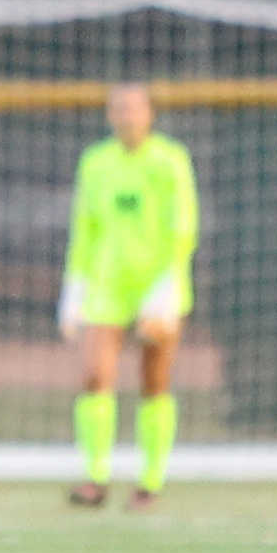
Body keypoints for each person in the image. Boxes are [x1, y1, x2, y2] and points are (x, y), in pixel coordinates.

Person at [57, 84, 199, 510]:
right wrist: (74, 288)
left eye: (134, 108)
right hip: (108, 284)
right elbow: (85, 228)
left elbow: (184, 226)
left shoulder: (170, 160)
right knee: (95, 375)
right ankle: (96, 477)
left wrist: (166, 286)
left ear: (150, 114)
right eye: (118, 108)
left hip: (158, 284)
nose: (127, 116)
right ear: (109, 115)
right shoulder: (96, 162)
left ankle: (150, 480)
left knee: (154, 380)